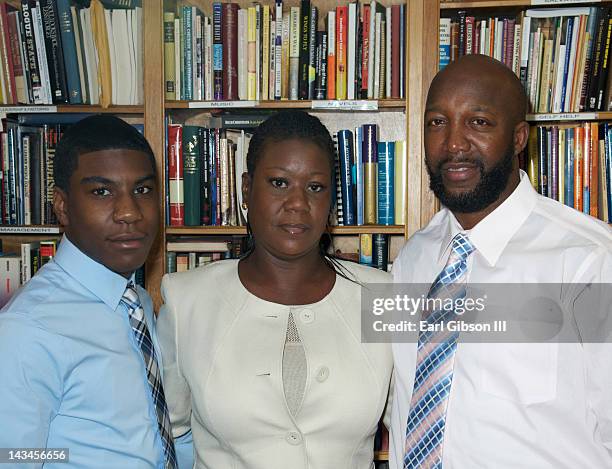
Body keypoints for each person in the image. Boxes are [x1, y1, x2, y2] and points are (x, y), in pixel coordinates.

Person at [389, 54, 612, 468]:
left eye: (479, 122)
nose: (454, 143)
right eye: (437, 122)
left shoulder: (591, 261)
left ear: (518, 138)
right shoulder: (414, 258)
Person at [157, 110, 393, 469]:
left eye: (315, 187)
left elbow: (417, 428)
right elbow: (169, 435)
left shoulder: (384, 297)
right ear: (246, 189)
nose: (298, 203)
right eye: (279, 183)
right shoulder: (185, 299)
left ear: (332, 199)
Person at [0, 115, 191, 469]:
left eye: (143, 190)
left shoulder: (135, 303)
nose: (129, 213)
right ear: (62, 206)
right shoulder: (29, 328)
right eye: (102, 192)